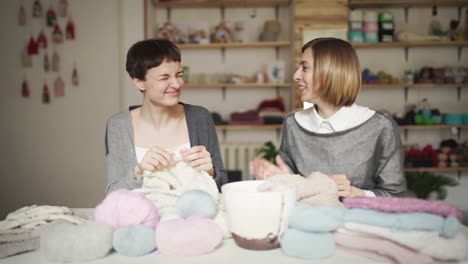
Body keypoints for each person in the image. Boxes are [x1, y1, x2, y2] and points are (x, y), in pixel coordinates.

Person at [250, 37, 406, 198]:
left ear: (330, 71)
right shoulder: (293, 124)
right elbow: (292, 189)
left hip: (359, 221)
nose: (296, 76)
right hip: (305, 221)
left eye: (304, 68)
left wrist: (357, 194)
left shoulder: (380, 126)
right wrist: (279, 179)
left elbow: (395, 196)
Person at [105, 38, 227, 193]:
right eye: (164, 77)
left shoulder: (200, 117)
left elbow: (222, 187)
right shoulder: (119, 125)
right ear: (139, 82)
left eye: (179, 75)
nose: (176, 84)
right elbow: (113, 194)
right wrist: (139, 172)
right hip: (143, 217)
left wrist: (211, 172)